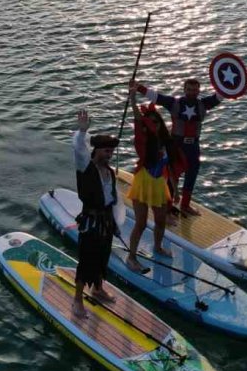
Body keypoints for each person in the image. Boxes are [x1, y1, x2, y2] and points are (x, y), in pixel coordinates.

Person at [133, 76, 222, 215]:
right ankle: (167, 207)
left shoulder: (204, 104)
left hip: (193, 145)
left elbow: (221, 95)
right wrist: (138, 87)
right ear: (184, 89)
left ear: (199, 91)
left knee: (192, 174)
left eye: (194, 90)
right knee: (172, 174)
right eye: (189, 89)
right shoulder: (174, 103)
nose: (191, 92)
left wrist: (232, 83)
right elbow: (157, 97)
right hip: (176, 145)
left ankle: (185, 205)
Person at [124, 89, 183, 272]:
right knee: (141, 223)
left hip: (159, 183)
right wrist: (133, 99)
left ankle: (158, 246)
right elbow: (137, 119)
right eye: (150, 122)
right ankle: (131, 257)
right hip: (143, 182)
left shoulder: (166, 142)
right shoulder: (143, 141)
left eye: (157, 122)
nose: (154, 125)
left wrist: (176, 189)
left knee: (160, 220)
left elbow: (170, 168)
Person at [71, 109, 119, 317]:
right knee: (87, 259)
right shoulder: (85, 167)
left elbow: (111, 200)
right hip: (90, 221)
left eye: (110, 152)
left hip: (106, 220)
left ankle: (98, 288)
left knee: (103, 256)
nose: (108, 155)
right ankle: (77, 300)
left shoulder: (109, 172)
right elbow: (79, 149)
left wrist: (115, 223)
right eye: (105, 151)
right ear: (96, 151)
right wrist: (82, 132)